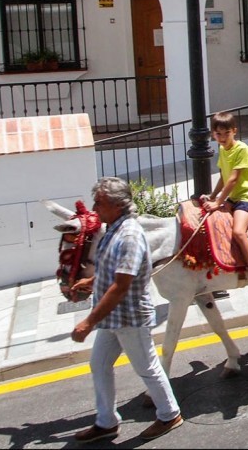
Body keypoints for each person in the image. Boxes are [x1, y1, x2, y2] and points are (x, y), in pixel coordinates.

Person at [70, 177, 183, 443]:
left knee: (147, 367)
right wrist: (93, 281)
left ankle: (169, 414)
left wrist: (88, 322)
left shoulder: (130, 236)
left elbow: (122, 285)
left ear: (117, 205)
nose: (94, 208)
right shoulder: (113, 229)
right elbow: (112, 270)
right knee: (99, 364)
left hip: (129, 317)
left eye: (99, 202)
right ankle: (106, 422)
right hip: (112, 317)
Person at [203, 111, 248, 296]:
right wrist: (212, 196)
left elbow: (232, 179)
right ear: (213, 134)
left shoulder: (241, 149)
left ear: (234, 131)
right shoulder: (223, 150)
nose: (222, 138)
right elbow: (223, 177)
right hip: (234, 196)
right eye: (218, 134)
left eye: (226, 133)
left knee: (238, 231)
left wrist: (218, 202)